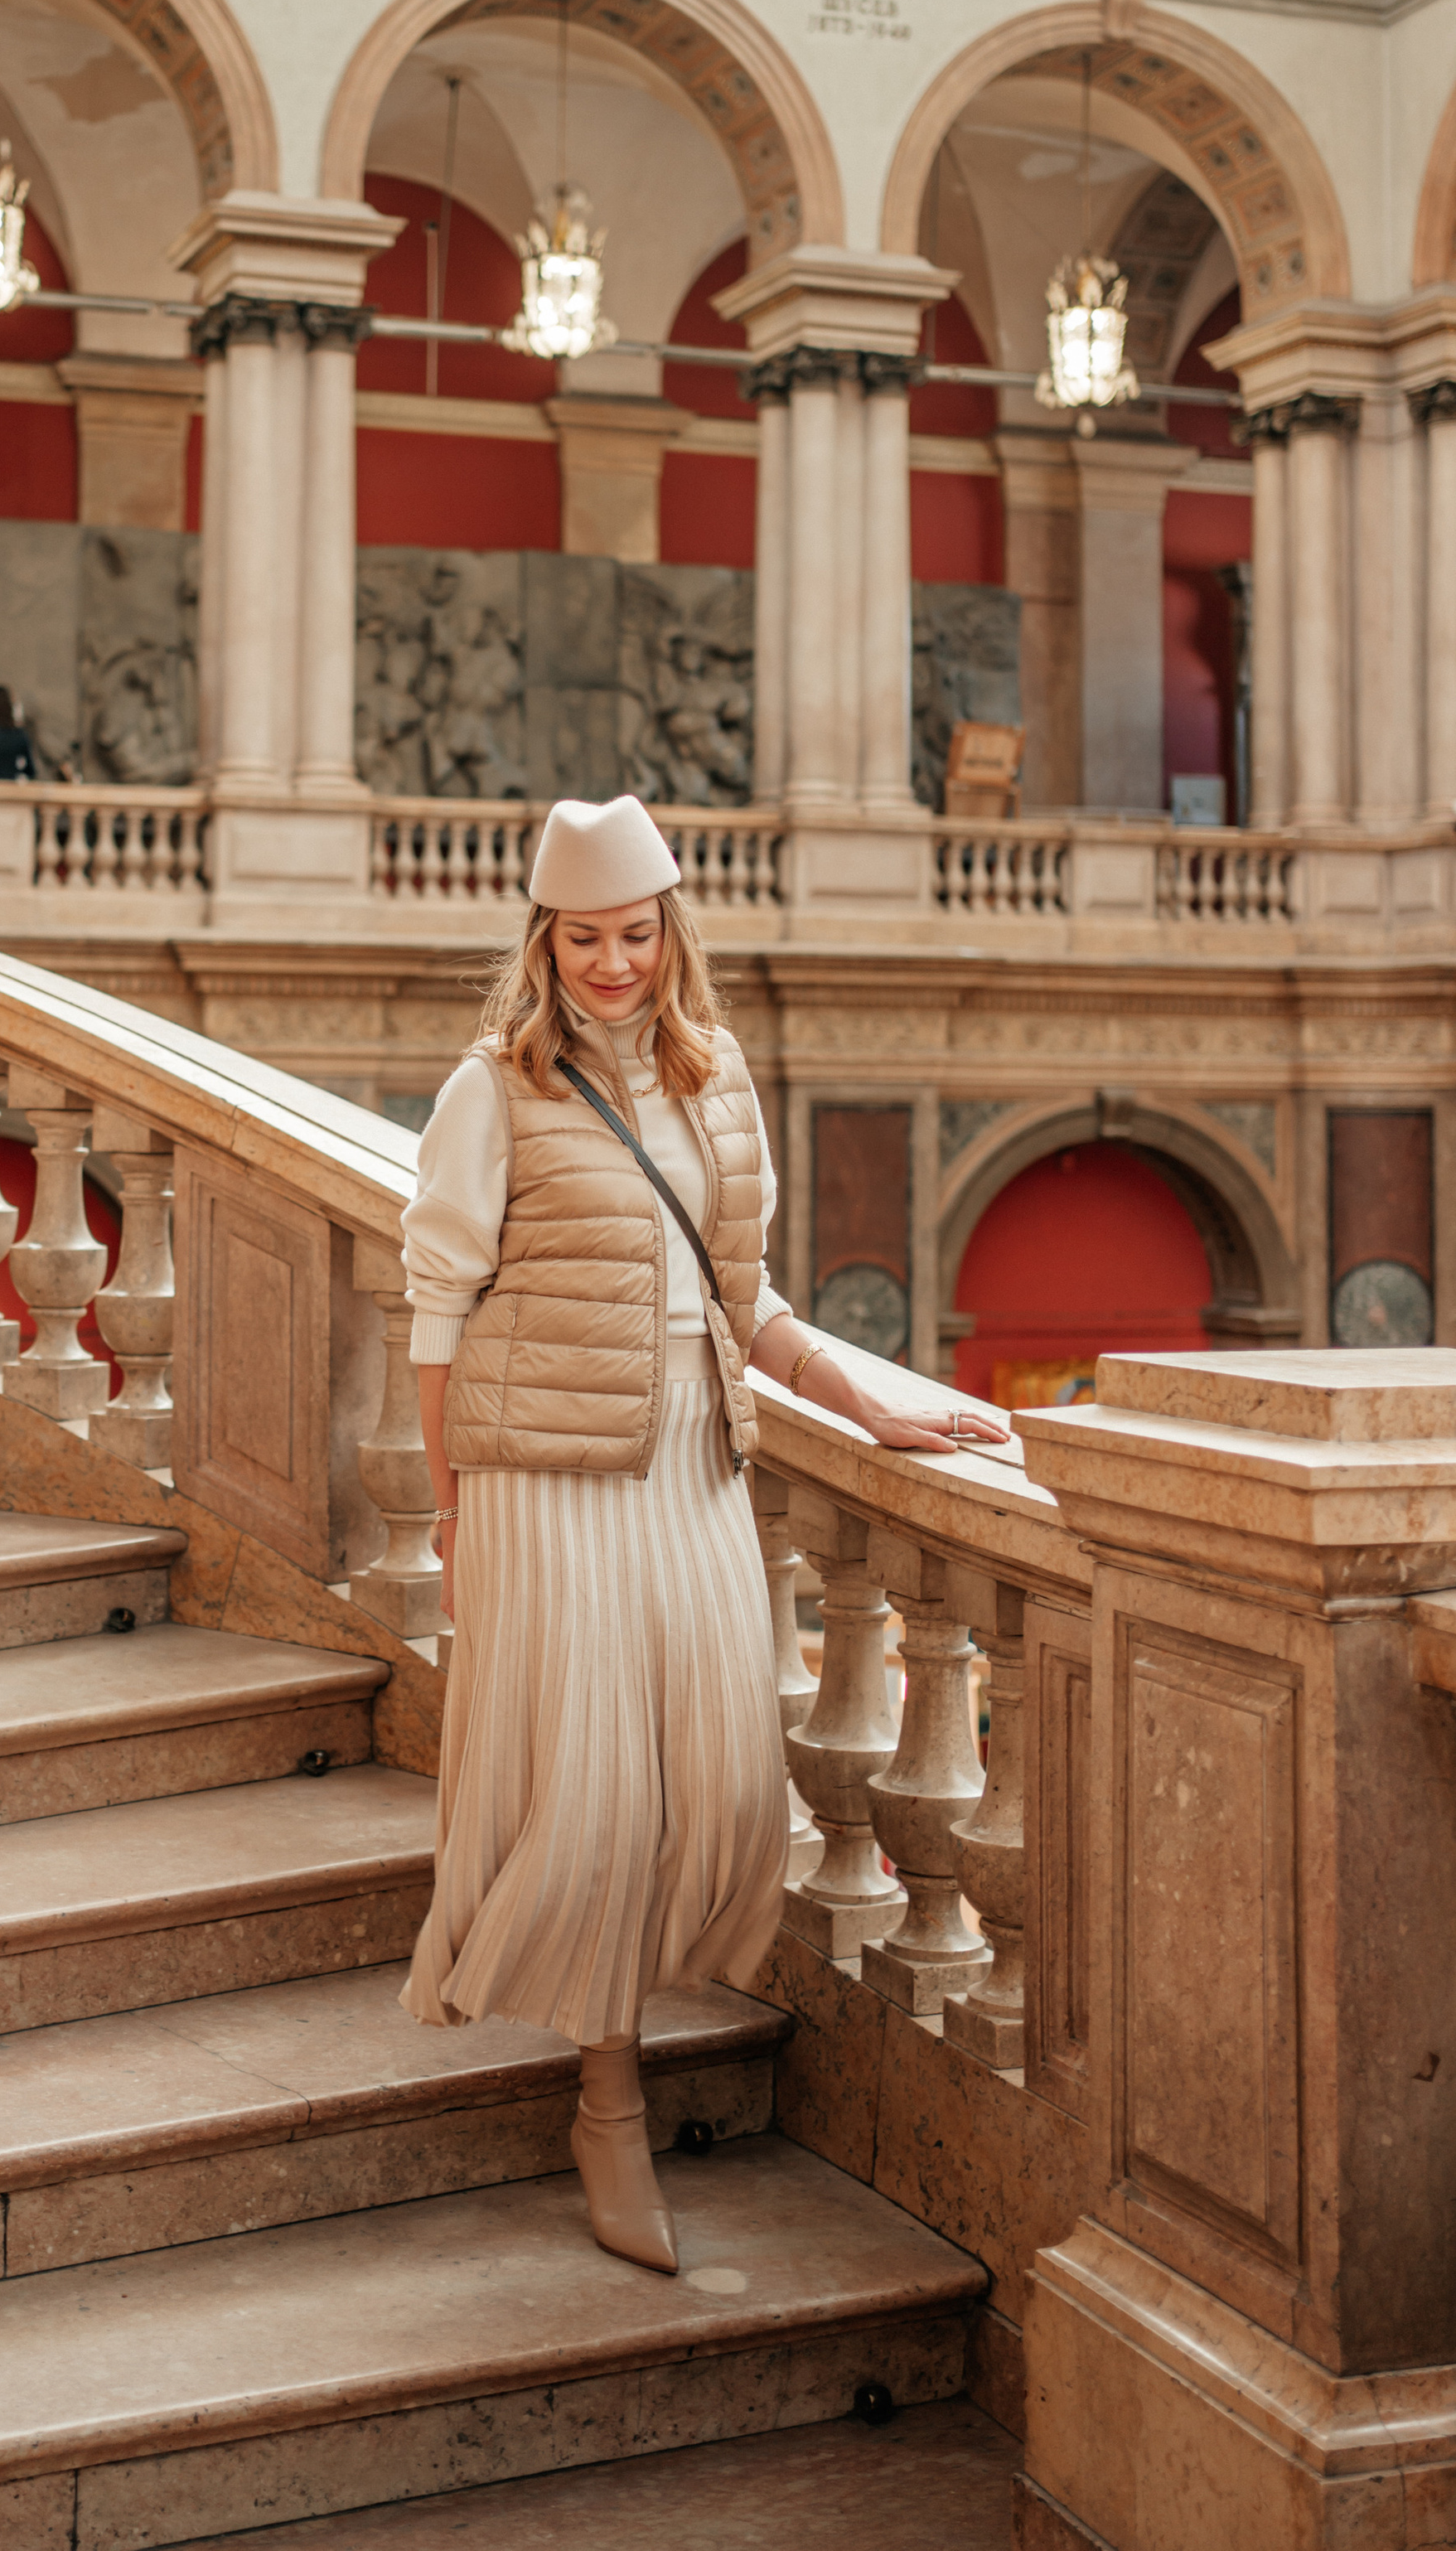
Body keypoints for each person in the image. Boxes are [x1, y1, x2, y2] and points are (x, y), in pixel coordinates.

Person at [399, 794, 1008, 2276]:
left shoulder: (718, 1079)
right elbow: (434, 1315)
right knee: (598, 1796)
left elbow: (753, 1309)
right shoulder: (495, 1089)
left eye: (636, 931)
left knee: (733, 1784)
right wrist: (454, 1509)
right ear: (545, 944)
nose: (614, 962)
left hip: (696, 1454)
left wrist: (882, 1405)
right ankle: (607, 2100)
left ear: (673, 928)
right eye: (587, 938)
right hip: (547, 1476)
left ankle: (617, 2041)